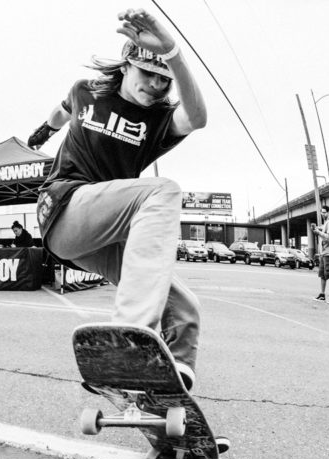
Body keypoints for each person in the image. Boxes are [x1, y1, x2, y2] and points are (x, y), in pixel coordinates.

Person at [29, 8, 206, 391]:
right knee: (163, 190)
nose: (156, 87)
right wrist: (44, 131)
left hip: (100, 234)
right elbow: (61, 111)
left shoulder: (160, 121)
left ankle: (167, 389)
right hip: (64, 206)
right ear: (126, 66)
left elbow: (198, 118)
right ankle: (129, 338)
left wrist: (173, 54)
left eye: (164, 81)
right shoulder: (85, 90)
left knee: (183, 307)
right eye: (148, 75)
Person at [311, 205, 329, 304]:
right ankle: (322, 295)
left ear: (328, 212)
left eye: (324, 212)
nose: (322, 214)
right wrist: (316, 229)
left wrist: (318, 232)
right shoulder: (326, 222)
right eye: (321, 212)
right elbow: (323, 228)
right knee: (322, 275)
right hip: (324, 253)